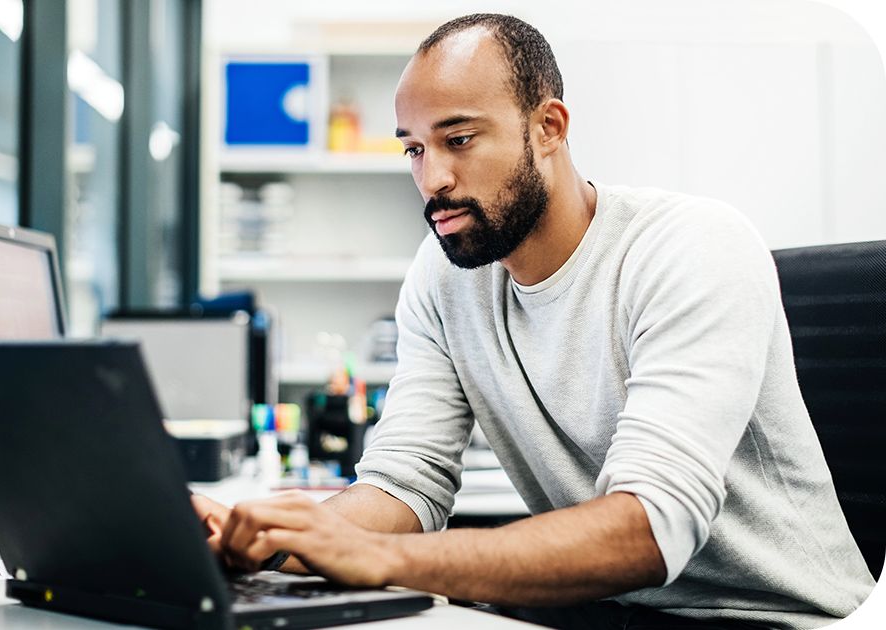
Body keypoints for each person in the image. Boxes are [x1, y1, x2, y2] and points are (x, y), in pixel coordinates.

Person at [193, 13, 875, 629]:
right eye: (414, 150)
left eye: (457, 139)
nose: (431, 179)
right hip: (608, 613)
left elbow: (650, 532)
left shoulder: (693, 248)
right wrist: (264, 537)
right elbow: (404, 483)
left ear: (548, 127)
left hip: (776, 620)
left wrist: (375, 556)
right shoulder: (443, 279)